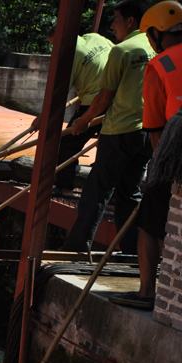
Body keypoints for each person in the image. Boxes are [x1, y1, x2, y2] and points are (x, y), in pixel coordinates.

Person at [65, 0, 155, 254]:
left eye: (115, 19)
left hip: (118, 131)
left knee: (97, 190)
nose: (112, 25)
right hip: (147, 131)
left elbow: (104, 98)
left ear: (130, 21)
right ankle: (130, 251)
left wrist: (82, 121)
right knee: (130, 193)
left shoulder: (122, 51)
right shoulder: (157, 48)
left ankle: (77, 248)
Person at [111, 1, 182, 309]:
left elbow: (154, 129)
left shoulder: (160, 66)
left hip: (174, 149)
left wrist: (158, 175)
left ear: (155, 33)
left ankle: (146, 292)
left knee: (149, 226)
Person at [50, 30, 113, 194]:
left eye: (52, 44)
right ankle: (91, 176)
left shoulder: (68, 56)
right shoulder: (95, 37)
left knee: (68, 142)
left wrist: (43, 118)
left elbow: (58, 92)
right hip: (115, 96)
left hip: (96, 101)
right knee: (107, 142)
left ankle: (64, 187)